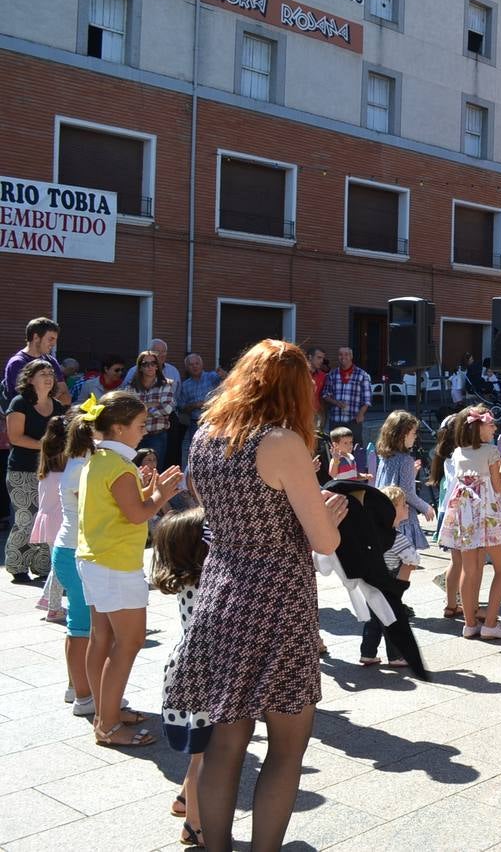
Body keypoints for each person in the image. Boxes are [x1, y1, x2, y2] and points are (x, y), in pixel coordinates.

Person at [161, 339, 347, 851]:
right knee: (287, 748)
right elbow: (323, 541)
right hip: (277, 598)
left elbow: (225, 517)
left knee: (225, 743)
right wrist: (329, 517)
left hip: (221, 592)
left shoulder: (206, 436)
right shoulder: (282, 442)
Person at [75, 390, 182, 748]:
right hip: (115, 564)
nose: (144, 430)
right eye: (139, 425)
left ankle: (106, 711)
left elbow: (126, 507)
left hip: (97, 559)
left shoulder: (100, 459)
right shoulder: (118, 466)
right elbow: (138, 513)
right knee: (129, 641)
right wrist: (162, 494)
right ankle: (107, 725)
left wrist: (151, 490)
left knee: (102, 637)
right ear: (119, 429)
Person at [151, 508, 211, 848]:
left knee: (200, 751)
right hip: (204, 675)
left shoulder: (188, 579)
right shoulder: (206, 584)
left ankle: (186, 801)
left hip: (188, 671)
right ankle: (195, 826)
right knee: (207, 753)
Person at [438, 406, 501, 640]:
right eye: (490, 423)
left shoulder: (459, 452)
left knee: (468, 570)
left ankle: (469, 623)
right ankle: (491, 623)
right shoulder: (492, 451)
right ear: (477, 427)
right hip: (487, 514)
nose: (494, 427)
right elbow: (498, 487)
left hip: (465, 515)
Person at [6, 359, 68, 581]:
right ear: (30, 378)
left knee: (49, 518)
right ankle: (17, 566)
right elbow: (15, 437)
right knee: (26, 518)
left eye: (51, 372)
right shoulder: (19, 403)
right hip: (22, 470)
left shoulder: (58, 406)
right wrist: (47, 445)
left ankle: (43, 567)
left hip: (51, 472)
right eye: (43, 373)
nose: (49, 376)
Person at [55, 399, 96, 715]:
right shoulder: (82, 468)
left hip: (75, 550)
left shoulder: (83, 463)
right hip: (73, 551)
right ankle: (83, 697)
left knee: (85, 625)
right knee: (81, 626)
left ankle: (78, 687)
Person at [358, 486, 420, 669]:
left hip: (371, 580)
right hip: (389, 581)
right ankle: (396, 656)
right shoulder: (396, 537)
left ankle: (367, 653)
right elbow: (412, 558)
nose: (407, 507)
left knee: (374, 618)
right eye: (403, 505)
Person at [374, 410, 434, 555]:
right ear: (402, 435)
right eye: (413, 433)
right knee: (406, 563)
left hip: (385, 514)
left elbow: (392, 485)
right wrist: (425, 507)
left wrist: (411, 474)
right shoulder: (406, 460)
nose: (415, 437)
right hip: (403, 518)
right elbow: (407, 493)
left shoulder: (385, 457)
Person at [33, 416, 70, 622]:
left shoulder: (46, 474)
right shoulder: (65, 476)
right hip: (61, 520)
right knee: (61, 565)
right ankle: (53, 607)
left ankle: (47, 598)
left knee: (57, 564)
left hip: (47, 520)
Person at [428, 422, 464, 619]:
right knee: (461, 562)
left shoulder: (449, 455)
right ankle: (455, 600)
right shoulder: (459, 456)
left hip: (449, 511)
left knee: (457, 561)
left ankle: (452, 601)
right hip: (457, 512)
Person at [5, 317, 71, 404]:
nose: (54, 344)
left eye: (55, 339)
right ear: (36, 337)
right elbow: (29, 400)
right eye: (51, 339)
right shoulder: (17, 363)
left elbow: (65, 394)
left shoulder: (51, 360)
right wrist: (52, 400)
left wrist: (46, 400)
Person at [127, 350, 175, 464]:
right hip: (136, 436)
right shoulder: (131, 387)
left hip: (157, 435)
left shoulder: (166, 385)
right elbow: (128, 412)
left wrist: (140, 410)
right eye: (145, 364)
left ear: (157, 366)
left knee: (154, 471)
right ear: (140, 368)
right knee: (134, 469)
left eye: (153, 363)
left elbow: (167, 409)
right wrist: (152, 406)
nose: (150, 367)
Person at [176, 353, 221, 464]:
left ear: (202, 364)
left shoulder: (212, 377)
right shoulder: (185, 385)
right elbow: (181, 407)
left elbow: (228, 384)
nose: (195, 366)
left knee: (215, 451)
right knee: (197, 452)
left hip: (214, 421)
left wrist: (223, 375)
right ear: (187, 367)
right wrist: (194, 405)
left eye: (197, 363)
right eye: (191, 365)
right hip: (195, 423)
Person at [322, 347, 372, 435]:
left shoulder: (362, 375)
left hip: (353, 419)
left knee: (355, 447)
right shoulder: (332, 374)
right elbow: (325, 395)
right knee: (335, 447)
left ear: (351, 356)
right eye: (340, 354)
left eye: (346, 354)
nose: (343, 357)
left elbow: (367, 399)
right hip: (336, 419)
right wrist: (337, 403)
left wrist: (361, 413)